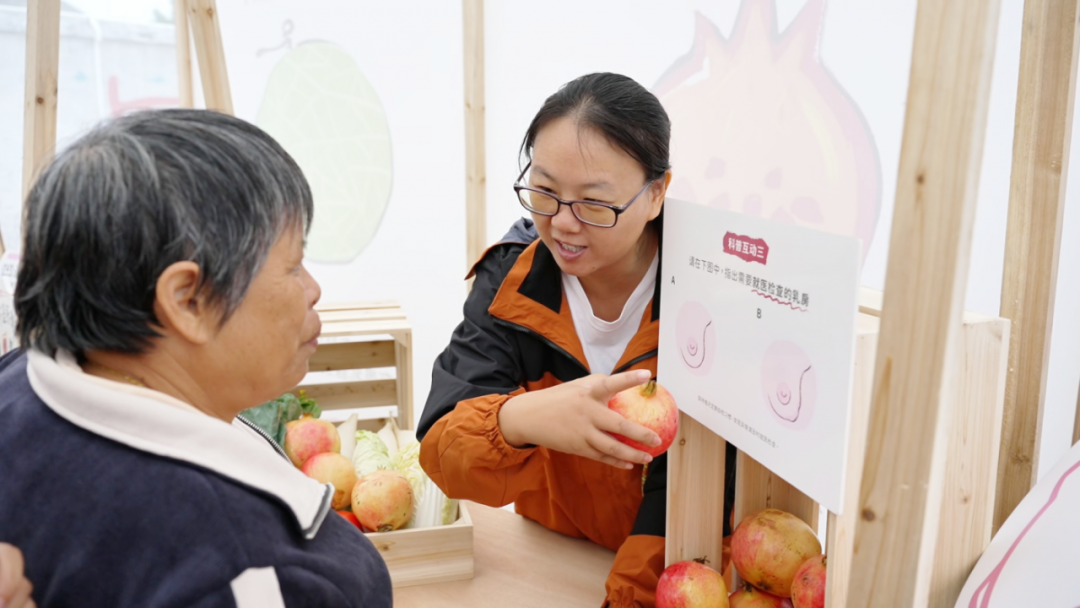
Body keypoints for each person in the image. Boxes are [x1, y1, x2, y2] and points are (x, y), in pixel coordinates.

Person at [0, 110, 392, 607]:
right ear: (187, 301)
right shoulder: (245, 572)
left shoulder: (17, 383)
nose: (313, 289)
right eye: (293, 264)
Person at [418, 72, 736, 607]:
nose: (563, 224)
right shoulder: (512, 279)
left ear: (657, 194)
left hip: (665, 569)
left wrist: (628, 597)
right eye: (544, 192)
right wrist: (519, 419)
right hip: (548, 554)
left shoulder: (706, 300)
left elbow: (703, 487)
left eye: (594, 203)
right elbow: (441, 451)